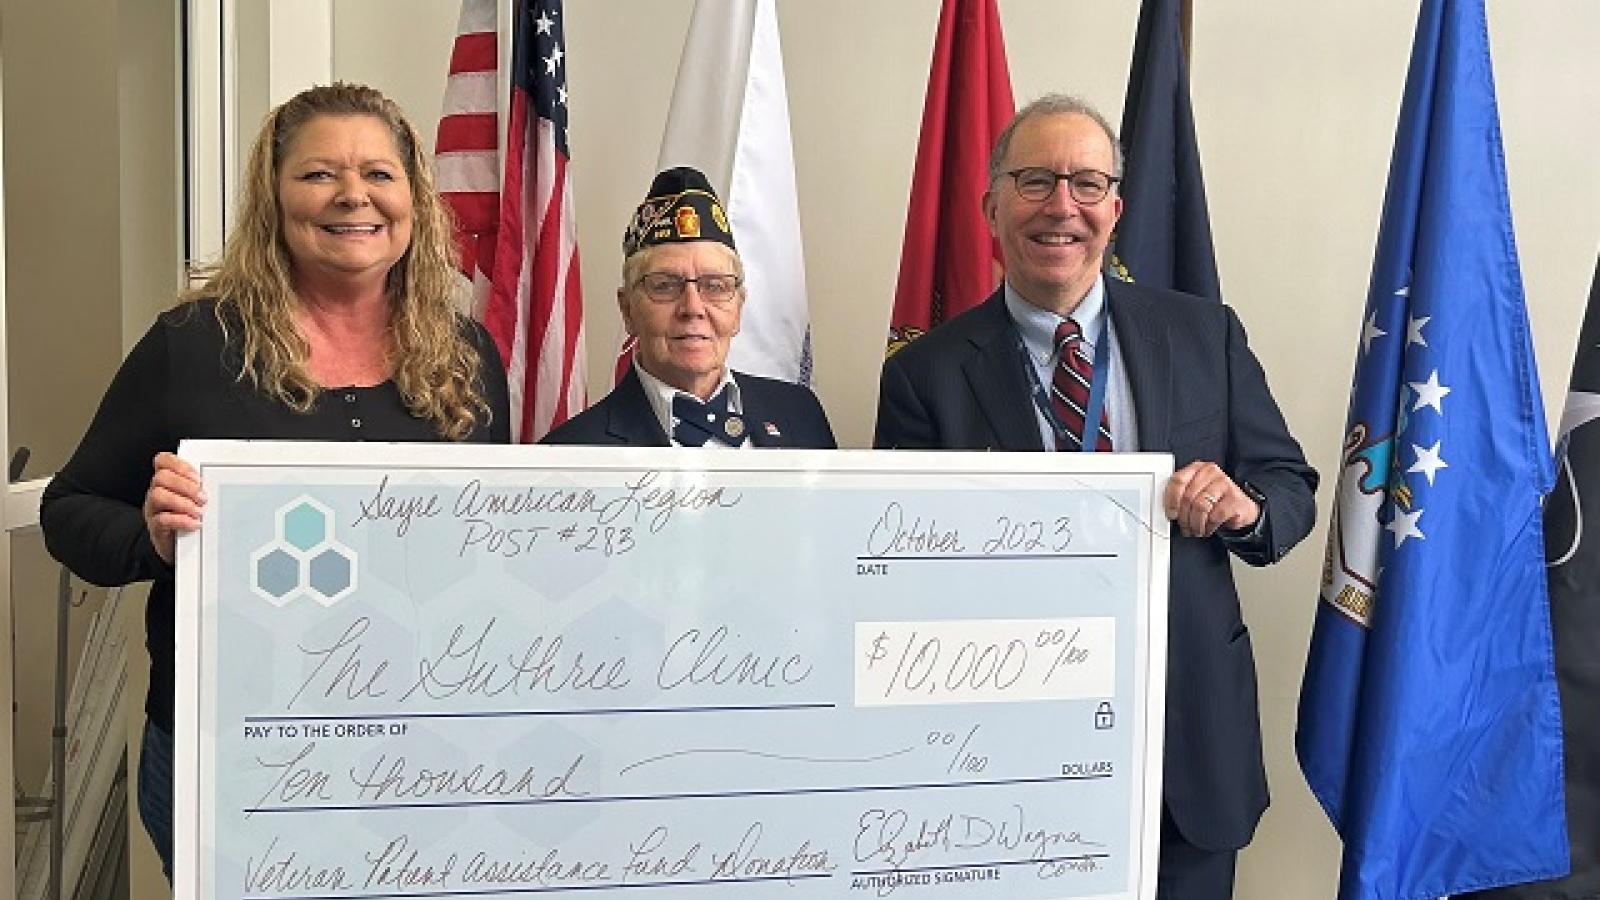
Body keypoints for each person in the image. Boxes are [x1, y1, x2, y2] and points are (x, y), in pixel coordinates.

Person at [40, 82, 510, 878]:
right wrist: (151, 538)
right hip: (228, 742)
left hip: (419, 747)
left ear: (414, 198)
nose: (352, 195)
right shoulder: (193, 345)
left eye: (378, 174)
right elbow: (68, 510)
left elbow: (487, 544)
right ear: (275, 195)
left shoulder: (468, 354)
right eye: (319, 173)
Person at [874, 94, 1318, 899]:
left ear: (1115, 208)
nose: (1061, 207)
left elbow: (1291, 493)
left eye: (1086, 183)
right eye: (1035, 180)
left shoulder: (1204, 333)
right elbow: (899, 574)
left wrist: (1243, 508)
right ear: (992, 206)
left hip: (1185, 741)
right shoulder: (924, 374)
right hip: (1001, 756)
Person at [543, 166, 834, 448]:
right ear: (628, 310)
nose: (693, 308)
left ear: (739, 308)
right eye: (665, 285)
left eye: (715, 286)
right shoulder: (571, 452)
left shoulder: (801, 416)